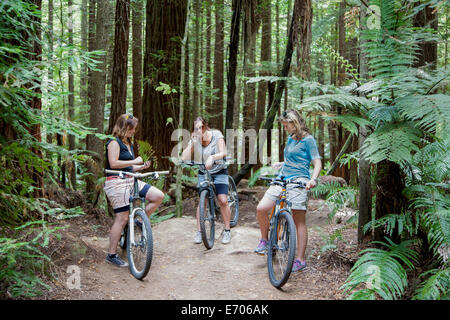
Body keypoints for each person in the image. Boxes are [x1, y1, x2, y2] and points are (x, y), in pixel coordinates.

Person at [254, 109, 322, 272]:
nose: (285, 128)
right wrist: (281, 164)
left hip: (299, 181)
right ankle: (265, 240)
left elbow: (317, 162)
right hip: (282, 178)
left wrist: (313, 179)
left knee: (299, 221)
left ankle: (299, 260)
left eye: (286, 125)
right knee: (261, 209)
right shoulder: (291, 138)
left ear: (295, 123)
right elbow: (294, 159)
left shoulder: (308, 140)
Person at [103, 114, 165, 267]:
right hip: (116, 182)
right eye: (131, 129)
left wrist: (141, 167)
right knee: (122, 218)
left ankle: (137, 221)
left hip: (131, 180)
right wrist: (134, 160)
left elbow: (128, 166)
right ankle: (111, 254)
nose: (133, 132)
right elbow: (113, 163)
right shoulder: (113, 142)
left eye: (134, 129)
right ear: (123, 128)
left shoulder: (128, 143)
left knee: (158, 196)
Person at [181, 117, 232, 244]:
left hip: (219, 171)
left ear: (206, 126)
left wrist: (212, 157)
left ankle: (227, 231)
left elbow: (224, 152)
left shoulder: (216, 135)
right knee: (202, 201)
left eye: (201, 127)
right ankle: (200, 232)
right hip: (203, 172)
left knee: (223, 200)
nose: (199, 130)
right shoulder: (195, 139)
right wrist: (192, 143)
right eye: (196, 128)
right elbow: (184, 157)